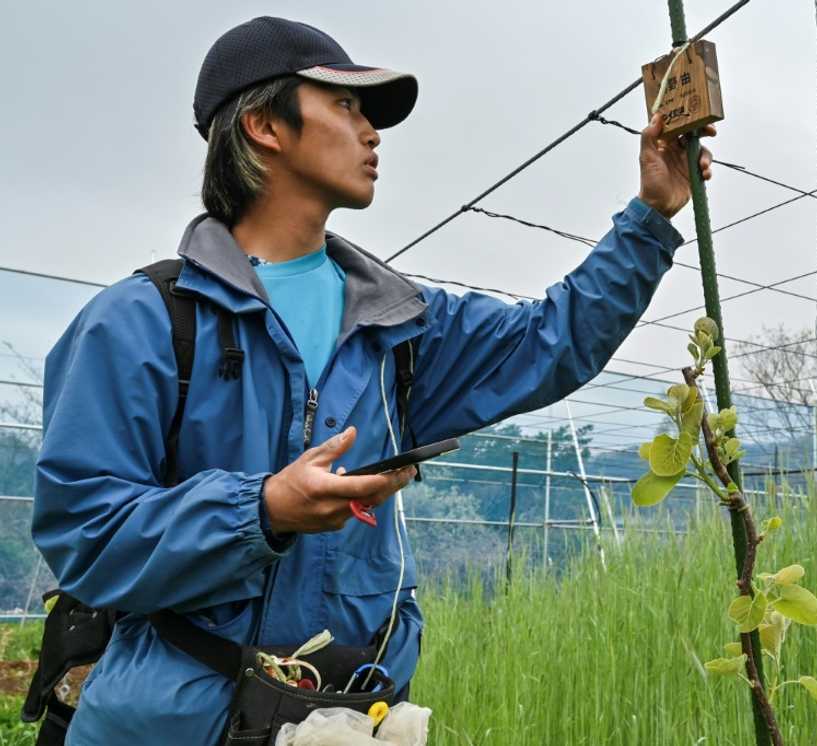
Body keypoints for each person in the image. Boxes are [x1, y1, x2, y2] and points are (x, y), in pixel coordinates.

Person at [31, 15, 714, 745]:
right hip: (170, 726)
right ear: (264, 126)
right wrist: (262, 510)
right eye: (346, 106)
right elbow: (85, 535)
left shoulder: (402, 325)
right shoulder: (140, 323)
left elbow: (552, 341)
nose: (373, 132)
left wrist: (650, 215)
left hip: (346, 723)